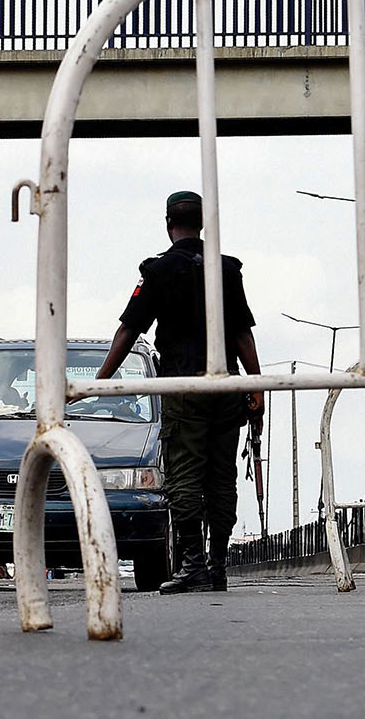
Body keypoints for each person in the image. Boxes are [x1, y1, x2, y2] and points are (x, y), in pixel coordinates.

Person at [94, 191, 262, 594]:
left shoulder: (159, 271)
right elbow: (242, 334)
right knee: (222, 478)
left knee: (184, 477)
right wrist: (256, 386)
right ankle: (218, 564)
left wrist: (99, 382)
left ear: (168, 224)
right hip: (227, 385)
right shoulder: (227, 269)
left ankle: (194, 564)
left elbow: (128, 330)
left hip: (183, 386)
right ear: (203, 223)